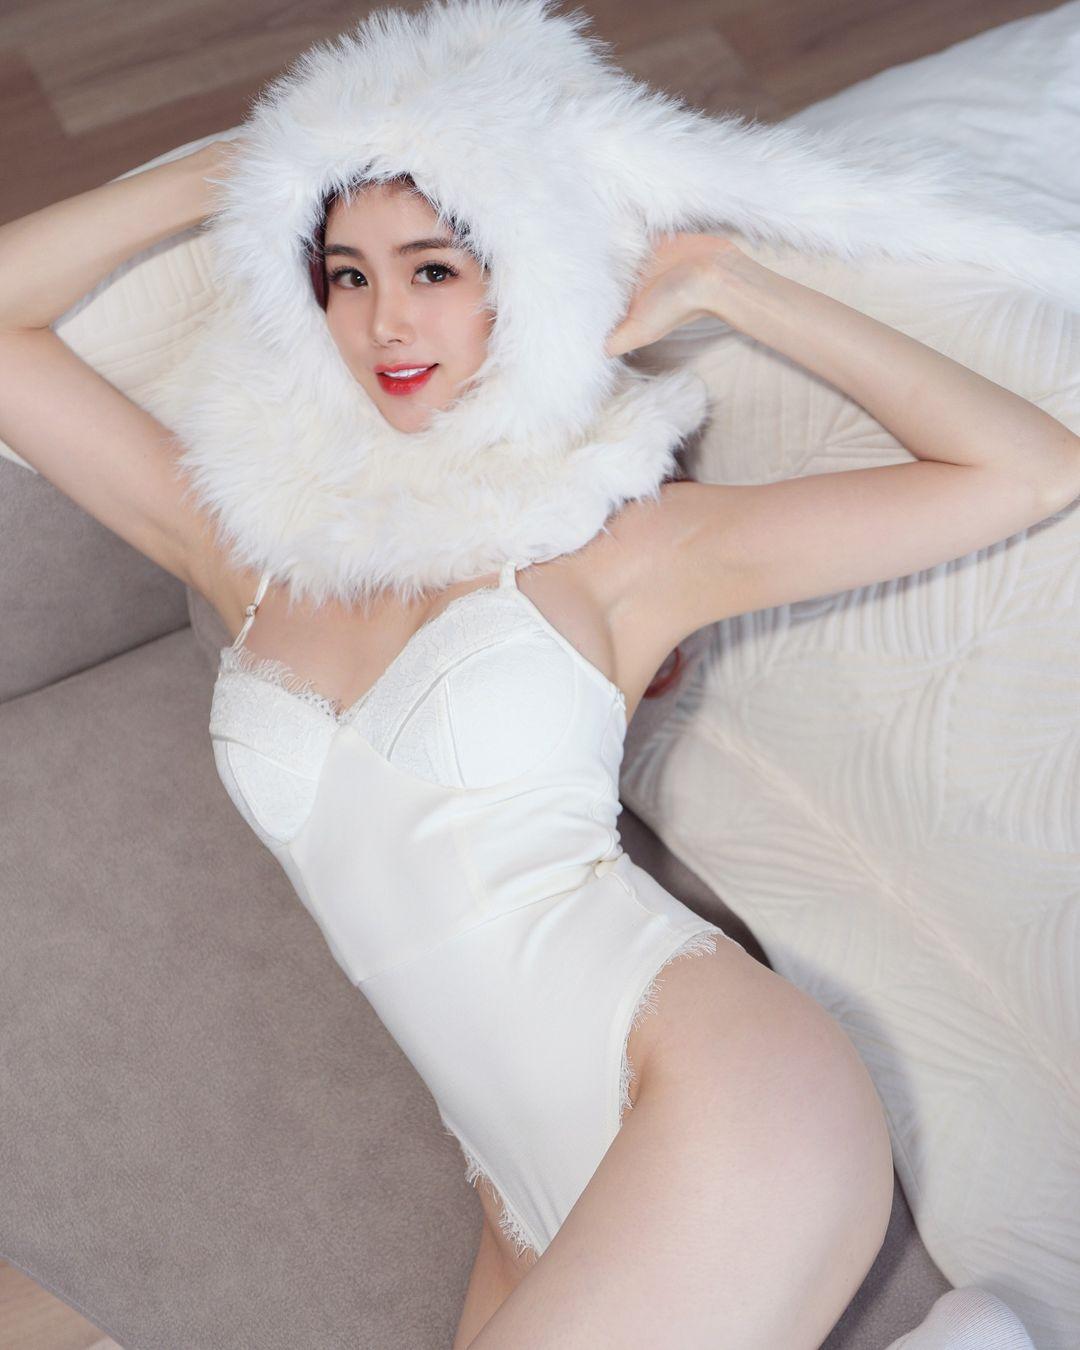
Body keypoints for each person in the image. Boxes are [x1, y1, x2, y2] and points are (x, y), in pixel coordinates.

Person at [3, 3, 1073, 1344]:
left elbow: (1027, 469)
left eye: (434, 268)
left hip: (710, 1084)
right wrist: (226, 175)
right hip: (513, 1186)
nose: (386, 321)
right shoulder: (247, 552)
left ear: (526, 271)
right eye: (345, 274)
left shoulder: (619, 551)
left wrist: (737, 287)